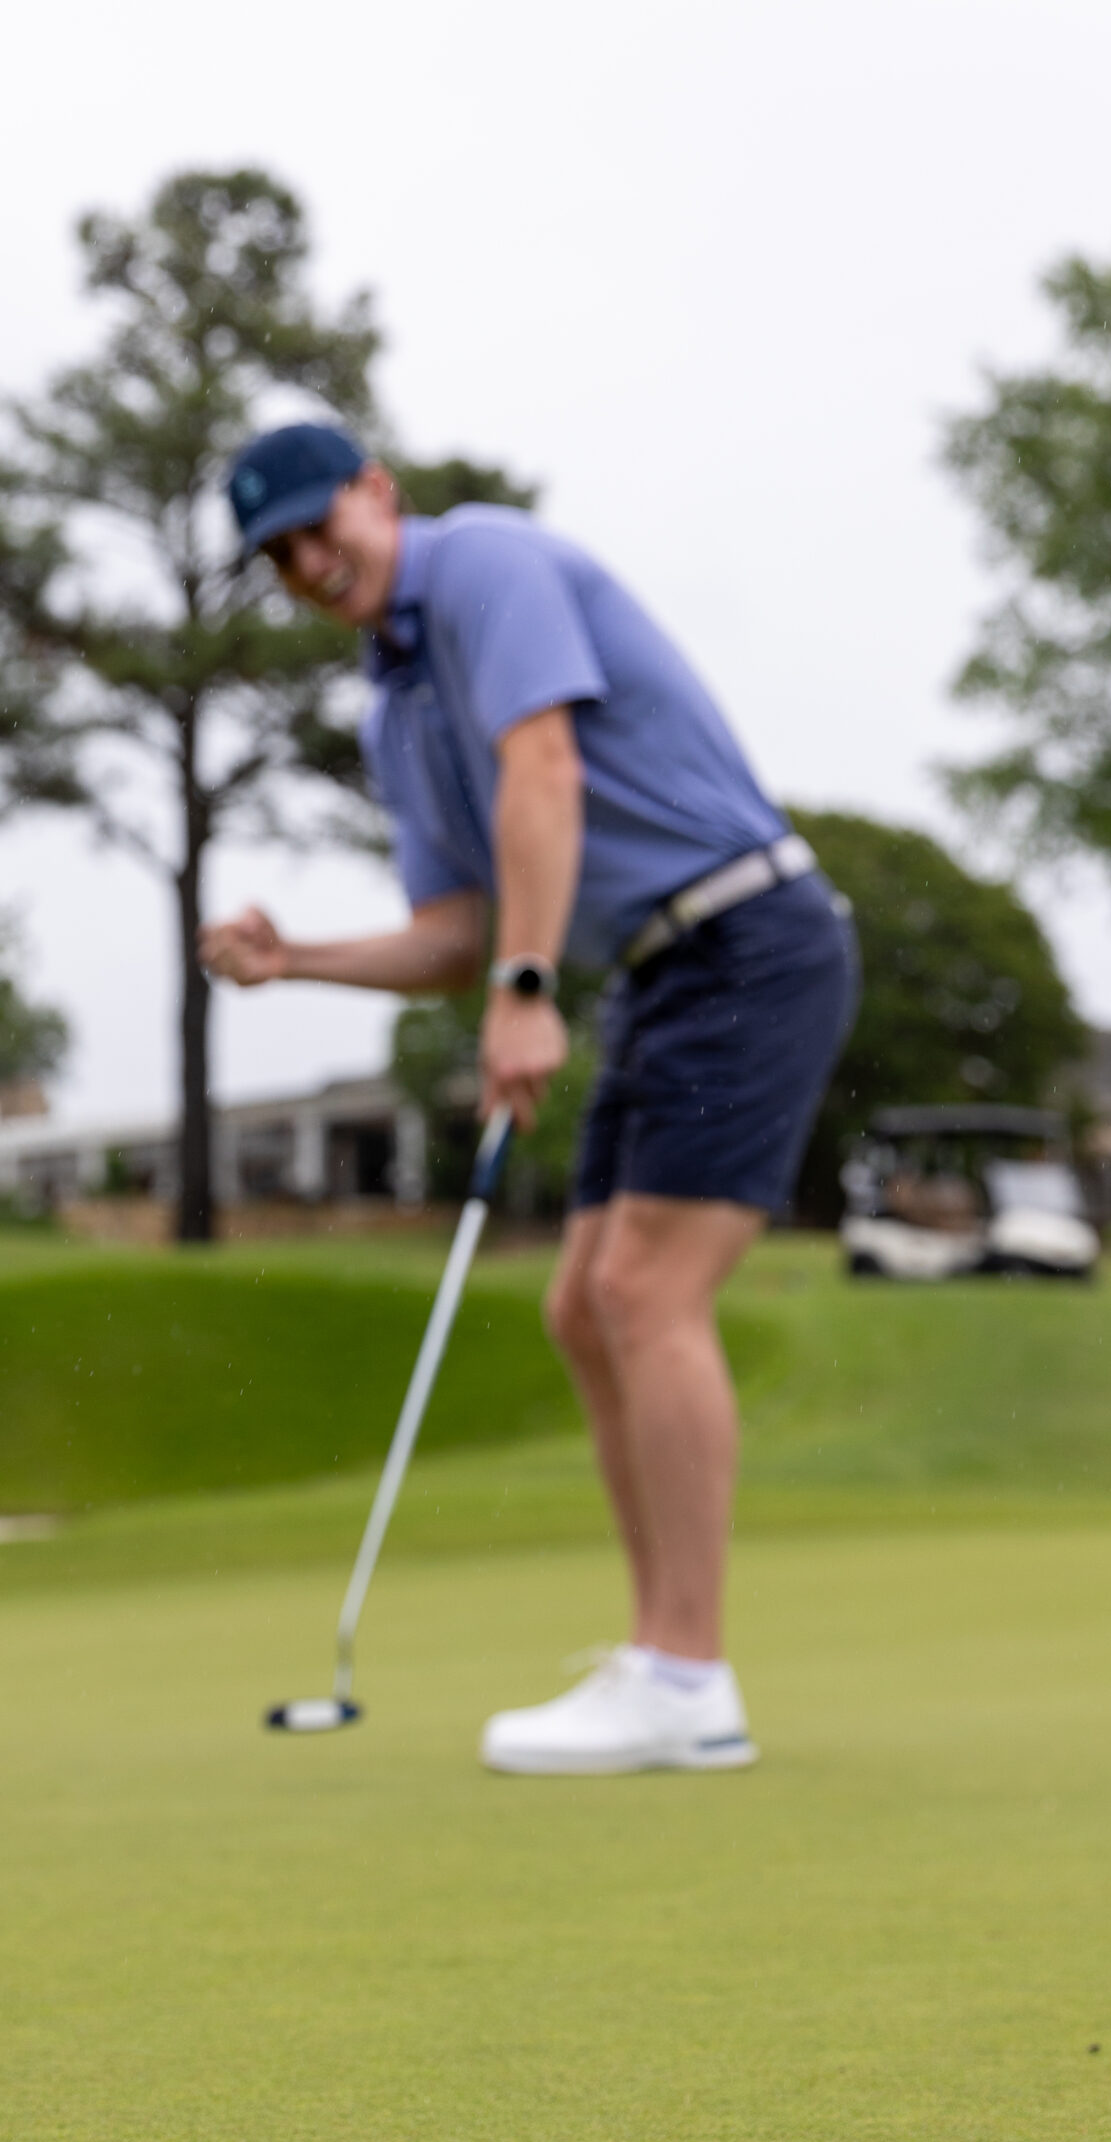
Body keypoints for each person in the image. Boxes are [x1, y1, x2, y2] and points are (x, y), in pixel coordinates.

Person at [202, 421, 858, 1776]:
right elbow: (452, 930)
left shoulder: (487, 562)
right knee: (581, 1305)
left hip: (749, 938)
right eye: (282, 559)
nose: (314, 565)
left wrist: (524, 980)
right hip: (658, 975)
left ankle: (687, 1675)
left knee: (644, 1294)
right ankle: (663, 1653)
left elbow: (543, 771)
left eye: (324, 528)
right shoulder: (394, 710)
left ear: (378, 493)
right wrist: (296, 962)